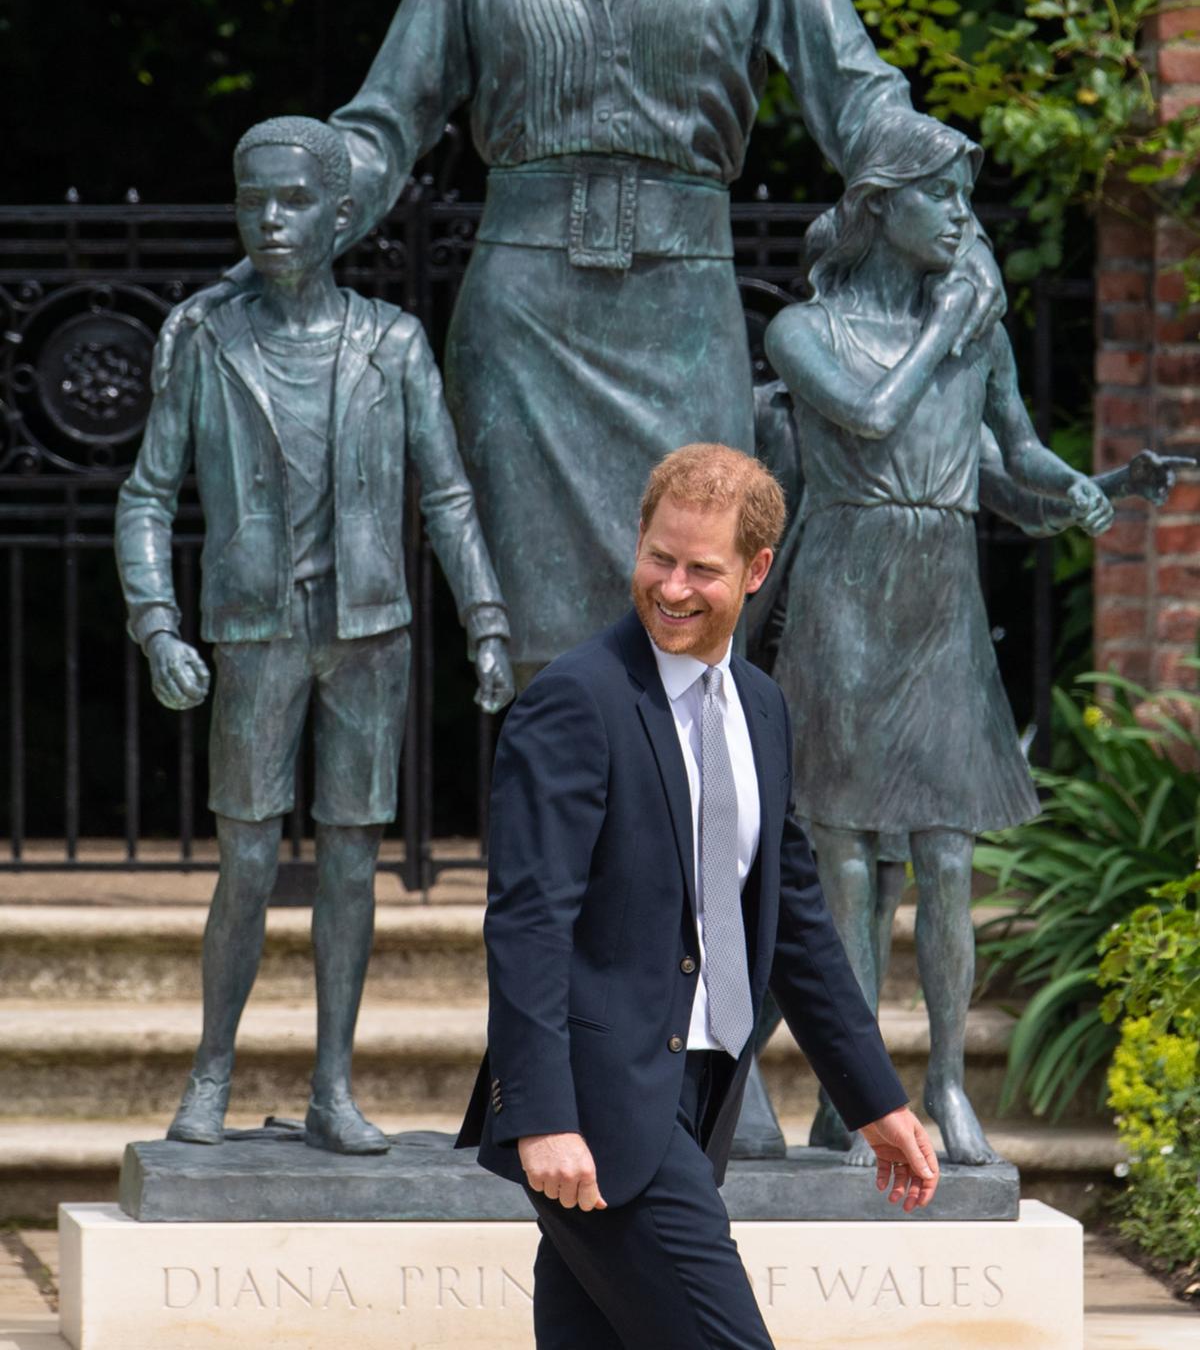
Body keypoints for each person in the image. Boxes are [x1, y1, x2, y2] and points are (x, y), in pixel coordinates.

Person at [154, 0, 1004, 688]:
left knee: (688, 613)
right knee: (541, 648)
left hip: (683, 305)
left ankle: (676, 862)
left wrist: (944, 205)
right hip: (524, 320)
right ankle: (549, 863)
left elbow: (859, 99)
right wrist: (289, 233)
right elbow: (384, 125)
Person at [457, 443, 939, 1350]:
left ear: (757, 571)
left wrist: (875, 1099)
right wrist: (545, 1117)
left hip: (695, 1095)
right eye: (658, 558)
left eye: (702, 570)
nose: (672, 587)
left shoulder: (760, 707)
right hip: (600, 1110)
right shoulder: (574, 702)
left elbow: (794, 920)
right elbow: (527, 925)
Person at [115, 116, 513, 1153]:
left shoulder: (391, 343)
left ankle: (333, 1085)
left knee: (350, 861)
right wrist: (158, 627)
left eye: (293, 203)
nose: (271, 222)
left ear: (341, 217)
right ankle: (212, 1072)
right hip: (255, 632)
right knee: (246, 859)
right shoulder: (206, 340)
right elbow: (147, 497)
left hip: (368, 634)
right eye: (253, 202)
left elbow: (450, 496)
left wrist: (486, 621)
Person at [763, 111, 1116, 1167]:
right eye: (944, 197)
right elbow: (871, 417)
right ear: (880, 208)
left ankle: (950, 1087)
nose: (963, 219)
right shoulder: (805, 332)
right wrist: (950, 321)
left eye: (967, 199)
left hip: (940, 593)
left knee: (948, 854)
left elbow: (1012, 459)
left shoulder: (979, 334)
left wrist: (1072, 492)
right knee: (844, 860)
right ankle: (850, 1089)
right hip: (846, 588)